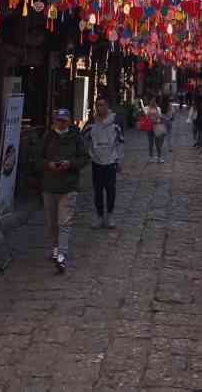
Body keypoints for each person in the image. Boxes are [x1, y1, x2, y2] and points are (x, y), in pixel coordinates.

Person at [36, 108, 90, 272]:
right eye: (58, 120)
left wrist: (70, 164)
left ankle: (62, 254)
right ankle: (55, 249)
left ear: (69, 121)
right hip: (50, 186)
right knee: (52, 222)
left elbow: (84, 158)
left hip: (69, 186)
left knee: (64, 222)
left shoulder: (76, 138)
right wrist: (48, 164)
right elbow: (36, 159)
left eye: (64, 120)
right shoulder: (47, 137)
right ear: (54, 121)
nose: (61, 123)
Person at [84, 97, 125, 229]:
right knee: (97, 190)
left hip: (111, 161)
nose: (99, 108)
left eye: (102, 105)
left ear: (107, 106)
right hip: (96, 162)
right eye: (97, 105)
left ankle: (110, 215)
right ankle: (99, 216)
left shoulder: (116, 123)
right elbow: (83, 139)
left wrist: (119, 160)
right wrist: (89, 153)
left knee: (110, 189)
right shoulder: (91, 122)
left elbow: (121, 143)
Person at [144, 97, 166, 163]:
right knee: (150, 143)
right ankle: (151, 157)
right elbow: (145, 117)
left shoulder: (158, 108)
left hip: (156, 127)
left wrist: (158, 120)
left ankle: (159, 157)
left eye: (154, 100)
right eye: (151, 100)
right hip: (149, 127)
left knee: (157, 144)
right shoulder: (146, 108)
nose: (152, 102)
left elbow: (160, 117)